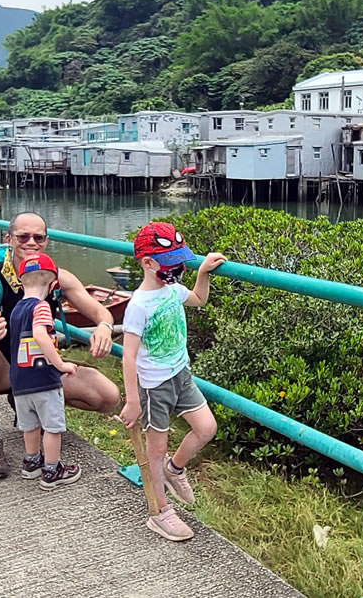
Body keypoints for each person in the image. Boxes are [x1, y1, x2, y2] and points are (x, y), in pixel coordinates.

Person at [0, 212, 120, 480]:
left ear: (46, 241)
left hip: (42, 367)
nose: (31, 242)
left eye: (38, 237)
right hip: (7, 368)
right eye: (23, 236)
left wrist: (105, 329)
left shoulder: (57, 278)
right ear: (9, 239)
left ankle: (30, 408)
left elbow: (101, 313)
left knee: (107, 396)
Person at [120, 221, 226, 542]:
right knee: (156, 449)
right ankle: (160, 511)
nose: (177, 268)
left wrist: (203, 272)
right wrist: (133, 400)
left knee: (206, 428)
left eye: (181, 261)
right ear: (148, 263)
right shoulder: (138, 306)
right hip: (154, 388)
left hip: (182, 375)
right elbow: (128, 356)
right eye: (171, 263)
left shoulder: (172, 290)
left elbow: (197, 299)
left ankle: (175, 469)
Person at [9, 253, 81, 489]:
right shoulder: (41, 307)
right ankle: (52, 470)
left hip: (20, 381)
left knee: (30, 425)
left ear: (21, 283)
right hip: (44, 380)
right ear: (53, 286)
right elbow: (40, 335)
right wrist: (61, 365)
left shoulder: (17, 309)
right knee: (52, 427)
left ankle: (31, 462)